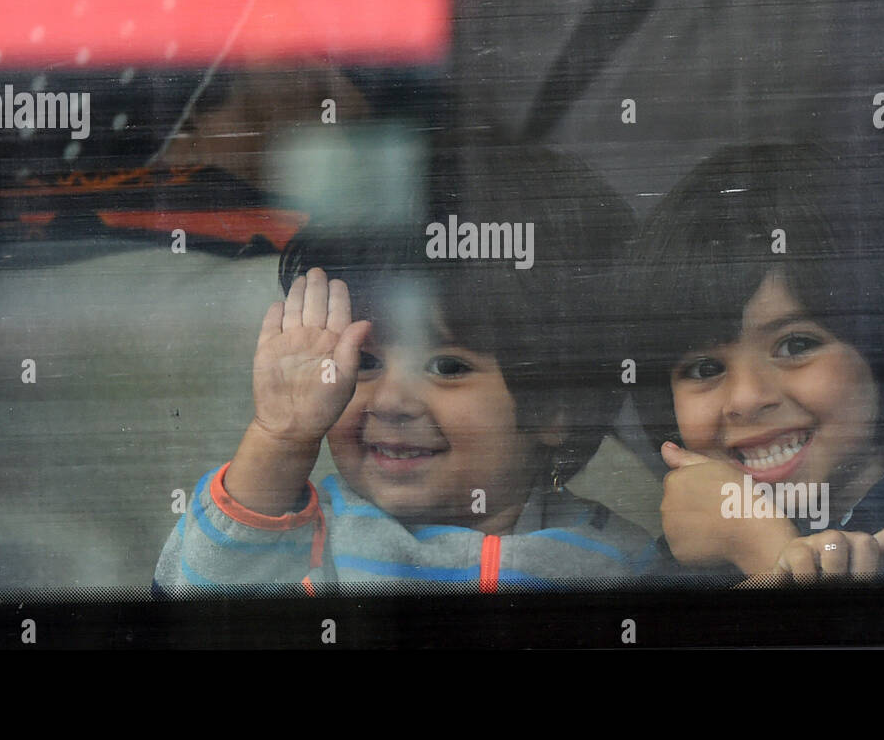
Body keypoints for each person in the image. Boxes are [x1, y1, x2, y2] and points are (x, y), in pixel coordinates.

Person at [155, 141, 675, 593]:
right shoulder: (300, 536)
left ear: (559, 406)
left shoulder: (619, 563)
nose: (392, 402)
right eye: (365, 361)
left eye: (447, 365)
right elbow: (197, 602)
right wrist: (281, 439)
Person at [629, 140, 884, 579]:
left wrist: (762, 546)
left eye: (795, 345)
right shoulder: (690, 548)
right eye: (706, 369)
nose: (745, 399)